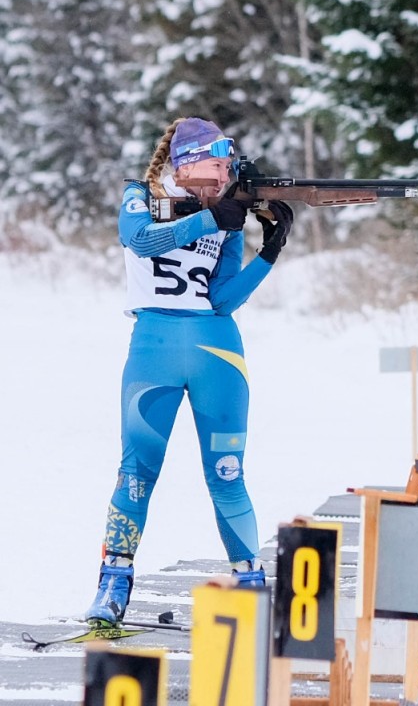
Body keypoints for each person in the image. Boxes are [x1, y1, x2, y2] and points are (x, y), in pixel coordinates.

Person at [85, 116, 293, 626]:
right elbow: (141, 240)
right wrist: (209, 219)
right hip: (153, 346)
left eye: (228, 169)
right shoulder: (141, 195)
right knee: (136, 473)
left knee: (227, 474)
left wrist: (269, 250)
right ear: (188, 162)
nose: (224, 176)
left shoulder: (226, 214)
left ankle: (252, 589)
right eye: (217, 165)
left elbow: (223, 299)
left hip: (215, 350)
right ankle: (113, 583)